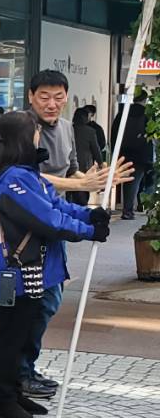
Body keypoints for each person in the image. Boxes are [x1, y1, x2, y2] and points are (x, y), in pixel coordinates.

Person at [0, 111, 107, 418]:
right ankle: (3, 400)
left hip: (32, 269)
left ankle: (15, 391)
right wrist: (88, 231)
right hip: (14, 270)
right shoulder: (12, 179)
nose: (40, 135)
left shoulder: (29, 175)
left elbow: (58, 206)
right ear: (24, 138)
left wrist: (89, 215)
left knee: (24, 331)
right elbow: (47, 220)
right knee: (11, 336)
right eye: (35, 131)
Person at [22, 70, 131, 399]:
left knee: (50, 298)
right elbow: (29, 177)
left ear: (67, 98)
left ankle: (26, 367)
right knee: (29, 302)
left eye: (58, 97)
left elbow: (70, 170)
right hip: (26, 223)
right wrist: (81, 185)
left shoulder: (68, 128)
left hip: (55, 219)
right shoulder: (23, 128)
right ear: (31, 96)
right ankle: (19, 373)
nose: (52, 103)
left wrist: (96, 181)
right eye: (44, 96)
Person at [112, 88, 155, 220]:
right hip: (141, 154)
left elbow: (114, 133)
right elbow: (152, 135)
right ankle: (141, 207)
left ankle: (128, 208)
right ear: (144, 100)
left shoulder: (122, 113)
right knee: (143, 181)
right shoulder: (147, 114)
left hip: (124, 153)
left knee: (128, 181)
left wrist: (116, 152)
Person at [69, 106, 106, 206]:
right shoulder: (90, 131)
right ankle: (82, 209)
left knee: (68, 189)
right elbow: (96, 149)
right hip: (84, 165)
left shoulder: (68, 129)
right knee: (83, 190)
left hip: (68, 164)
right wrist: (101, 163)